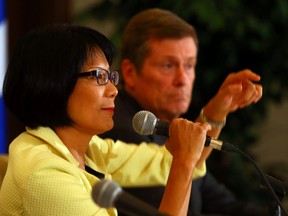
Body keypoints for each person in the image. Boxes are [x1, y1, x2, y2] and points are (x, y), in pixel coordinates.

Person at [0, 24, 212, 216]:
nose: (113, 91)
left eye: (111, 77)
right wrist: (183, 162)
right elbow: (182, 160)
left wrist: (217, 114)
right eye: (99, 77)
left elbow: (167, 161)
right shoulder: (45, 176)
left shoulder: (87, 148)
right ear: (53, 83)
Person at [100, 8, 270, 216]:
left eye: (189, 65)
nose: (183, 80)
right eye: (168, 65)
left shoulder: (173, 129)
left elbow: (228, 205)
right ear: (130, 72)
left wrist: (216, 111)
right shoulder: (119, 127)